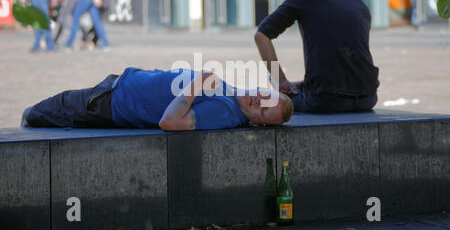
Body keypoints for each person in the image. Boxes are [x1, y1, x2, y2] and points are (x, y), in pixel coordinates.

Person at [254, 0, 379, 114]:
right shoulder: (360, 6)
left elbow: (261, 35)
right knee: (300, 87)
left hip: (325, 100)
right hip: (367, 98)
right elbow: (343, 62)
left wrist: (281, 81)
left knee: (274, 102)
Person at [21, 68, 294, 131]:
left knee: (33, 115)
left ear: (259, 124)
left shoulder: (225, 112)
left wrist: (196, 83)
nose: (260, 101)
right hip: (115, 89)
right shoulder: (232, 93)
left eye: (265, 110)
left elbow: (170, 121)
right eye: (266, 96)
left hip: (110, 103)